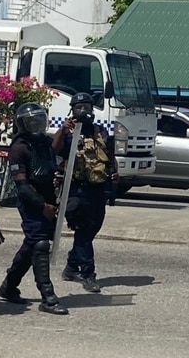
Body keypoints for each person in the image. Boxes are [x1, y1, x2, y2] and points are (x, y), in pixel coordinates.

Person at [0, 102, 68, 315]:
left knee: (32, 244)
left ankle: (9, 286)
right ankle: (48, 296)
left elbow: (55, 150)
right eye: (32, 120)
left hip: (49, 198)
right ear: (23, 124)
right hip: (32, 201)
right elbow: (22, 185)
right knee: (40, 244)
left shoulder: (42, 142)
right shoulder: (19, 148)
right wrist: (41, 205)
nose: (36, 123)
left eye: (39, 119)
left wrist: (64, 131)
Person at [55, 92, 118, 292]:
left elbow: (109, 157)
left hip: (98, 188)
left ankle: (72, 267)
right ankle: (88, 274)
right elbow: (55, 150)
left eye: (87, 107)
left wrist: (114, 174)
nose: (84, 111)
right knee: (83, 231)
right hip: (76, 189)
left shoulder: (100, 131)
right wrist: (63, 131)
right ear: (72, 109)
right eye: (79, 107)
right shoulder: (67, 132)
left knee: (92, 229)